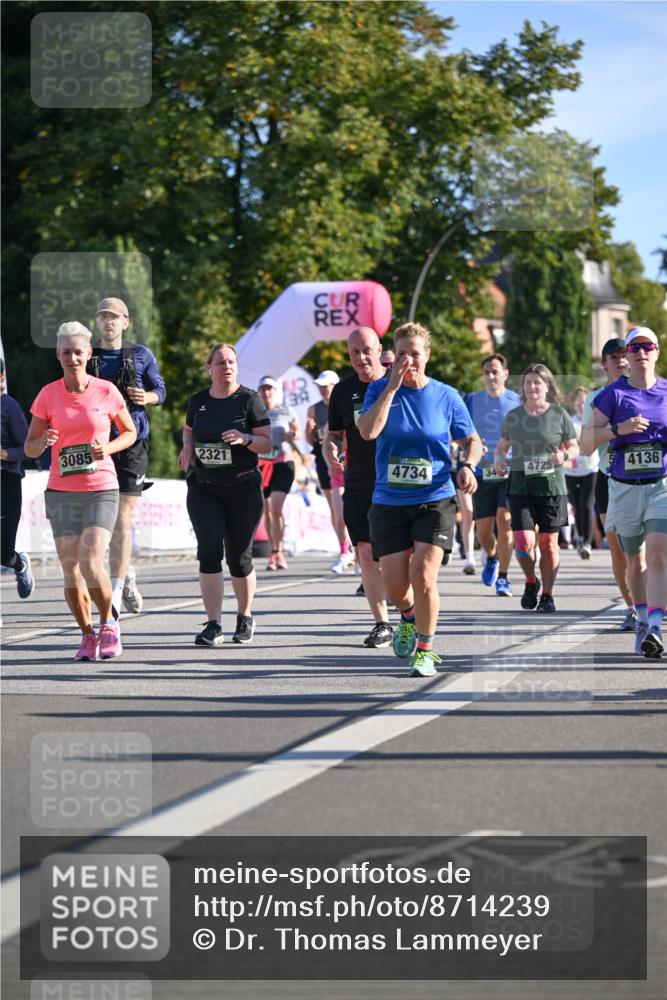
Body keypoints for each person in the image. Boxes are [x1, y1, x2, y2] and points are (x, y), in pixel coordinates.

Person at [358, 322, 482, 677]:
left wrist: (469, 466)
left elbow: (472, 440)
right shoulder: (379, 389)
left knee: (423, 575)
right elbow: (367, 431)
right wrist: (391, 388)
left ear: (427, 355)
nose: (408, 360)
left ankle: (426, 651)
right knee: (396, 586)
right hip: (389, 499)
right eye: (401, 354)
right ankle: (409, 617)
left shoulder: (446, 395)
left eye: (414, 353)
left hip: (435, 497)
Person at [24, 322, 137, 659]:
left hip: (100, 486)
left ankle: (109, 625)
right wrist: (43, 442)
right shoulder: (48, 395)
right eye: (66, 352)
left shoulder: (106, 391)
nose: (72, 358)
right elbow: (29, 447)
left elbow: (129, 432)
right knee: (71, 569)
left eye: (78, 352)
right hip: (61, 490)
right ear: (58, 356)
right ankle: (87, 635)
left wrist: (108, 448)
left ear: (88, 354)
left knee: (90, 561)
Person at [582, 327, 667, 658]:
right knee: (636, 561)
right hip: (623, 488)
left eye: (648, 346)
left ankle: (656, 627)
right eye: (634, 348)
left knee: (658, 555)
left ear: (657, 352)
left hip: (660, 487)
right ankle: (643, 620)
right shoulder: (612, 395)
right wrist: (619, 429)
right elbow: (585, 442)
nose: (641, 352)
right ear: (628, 355)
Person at [179, 344, 271, 646]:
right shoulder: (198, 401)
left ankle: (244, 616)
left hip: (242, 488)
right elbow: (189, 429)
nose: (227, 367)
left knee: (239, 558)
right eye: (220, 362)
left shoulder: (250, 400)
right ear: (209, 368)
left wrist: (245, 438)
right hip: (204, 487)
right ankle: (213, 624)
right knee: (208, 551)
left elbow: (266, 442)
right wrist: (187, 446)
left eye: (231, 361)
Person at [89, 297, 166, 615]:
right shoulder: (87, 356)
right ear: (97, 322)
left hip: (132, 445)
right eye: (103, 316)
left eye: (114, 316)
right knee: (97, 521)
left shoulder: (141, 355)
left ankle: (117, 588)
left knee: (122, 517)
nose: (108, 321)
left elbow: (161, 390)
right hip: (95, 446)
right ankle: (127, 571)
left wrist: (146, 397)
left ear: (125, 322)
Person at [324, 327, 395, 649]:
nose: (362, 357)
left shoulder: (397, 384)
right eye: (355, 352)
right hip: (358, 483)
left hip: (396, 484)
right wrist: (331, 450)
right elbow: (334, 434)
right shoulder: (342, 391)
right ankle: (382, 623)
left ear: (379, 350)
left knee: (396, 556)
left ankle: (408, 611)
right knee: (365, 552)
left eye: (367, 350)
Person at [494, 364, 578, 614]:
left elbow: (574, 448)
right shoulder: (513, 416)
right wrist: (499, 461)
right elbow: (501, 448)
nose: (532, 386)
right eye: (528, 382)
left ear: (547, 386)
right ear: (522, 387)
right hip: (520, 487)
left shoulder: (559, 414)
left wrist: (564, 455)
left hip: (552, 488)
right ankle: (531, 581)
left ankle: (547, 596)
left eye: (537, 382)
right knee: (523, 542)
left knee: (548, 545)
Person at [581, 338, 639, 631]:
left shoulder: (646, 390)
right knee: (618, 549)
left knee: (651, 548)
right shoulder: (595, 398)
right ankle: (632, 607)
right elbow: (586, 444)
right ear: (604, 364)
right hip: (609, 476)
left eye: (624, 355)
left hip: (648, 478)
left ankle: (654, 600)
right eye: (613, 357)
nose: (621, 361)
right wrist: (617, 430)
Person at [464, 353, 520, 595]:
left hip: (509, 470)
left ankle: (503, 578)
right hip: (482, 470)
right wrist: (473, 446)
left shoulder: (517, 400)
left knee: (505, 520)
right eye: (486, 372)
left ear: (505, 374)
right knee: (484, 531)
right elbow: (462, 432)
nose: (490, 376)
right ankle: (493, 556)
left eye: (495, 371)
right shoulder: (472, 401)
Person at [305, 370, 354, 574]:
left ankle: (358, 550)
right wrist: (309, 430)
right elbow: (313, 441)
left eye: (326, 385)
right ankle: (345, 549)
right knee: (336, 511)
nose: (322, 389)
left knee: (354, 509)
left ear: (335, 385)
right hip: (326, 460)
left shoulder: (346, 404)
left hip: (352, 461)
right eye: (320, 386)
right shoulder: (314, 409)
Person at [256, 376, 301, 570]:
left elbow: (298, 432)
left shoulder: (286, 410)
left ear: (275, 391)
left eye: (270, 389)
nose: (266, 392)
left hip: (283, 463)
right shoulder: (254, 412)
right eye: (263, 389)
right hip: (261, 465)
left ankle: (279, 551)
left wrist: (292, 435)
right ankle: (273, 552)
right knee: (266, 510)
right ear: (259, 392)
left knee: (276, 508)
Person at [1, 358, 35, 598]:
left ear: (1, 378)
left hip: (6, 480)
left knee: (3, 553)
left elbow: (29, 448)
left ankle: (19, 563)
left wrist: (4, 454)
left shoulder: (9, 407)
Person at [565, 385, 599, 559]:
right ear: (574, 404)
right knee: (577, 507)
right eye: (578, 402)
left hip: (590, 469)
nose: (581, 405)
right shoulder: (569, 422)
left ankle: (587, 542)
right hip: (571, 471)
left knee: (586, 505)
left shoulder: (593, 421)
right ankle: (579, 538)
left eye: (584, 402)